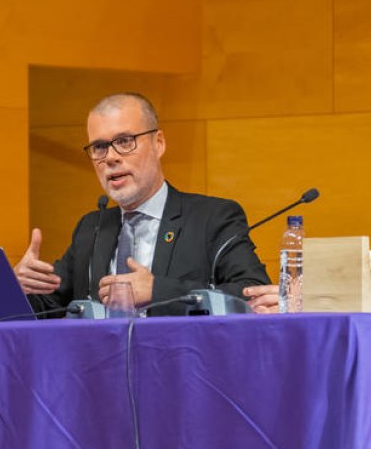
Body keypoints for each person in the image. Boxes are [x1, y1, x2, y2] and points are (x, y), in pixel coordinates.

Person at [15, 93, 270, 316]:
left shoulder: (212, 218)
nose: (111, 157)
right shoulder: (91, 227)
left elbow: (255, 292)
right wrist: (17, 288)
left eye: (125, 141)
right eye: (100, 147)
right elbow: (50, 308)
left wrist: (157, 291)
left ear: (158, 143)